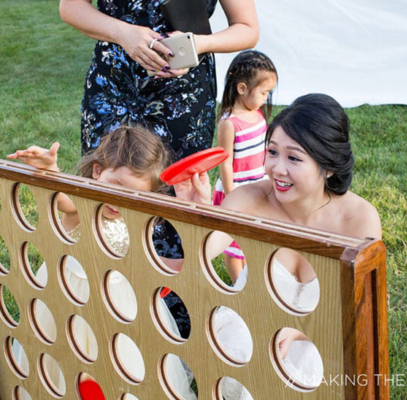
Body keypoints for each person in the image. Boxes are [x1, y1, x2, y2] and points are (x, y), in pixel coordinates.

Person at [7, 126, 209, 399]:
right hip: (68, 299)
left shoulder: (138, 221)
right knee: (62, 365)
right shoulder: (83, 204)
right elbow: (61, 199)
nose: (120, 201)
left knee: (125, 369)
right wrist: (49, 171)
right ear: (97, 171)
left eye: (134, 195)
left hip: (120, 306)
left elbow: (149, 262)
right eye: (116, 187)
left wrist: (197, 209)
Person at [206, 93, 382, 396]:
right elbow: (202, 250)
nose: (277, 169)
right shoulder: (250, 199)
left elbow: (362, 309)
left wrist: (300, 331)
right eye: (272, 152)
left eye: (294, 158)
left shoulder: (359, 220)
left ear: (328, 167)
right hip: (249, 330)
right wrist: (192, 213)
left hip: (324, 337)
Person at [59, 0, 260, 161]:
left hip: (184, 96)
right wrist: (123, 33)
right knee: (105, 186)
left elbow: (247, 28)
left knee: (178, 195)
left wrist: (198, 44)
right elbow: (70, 7)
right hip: (114, 87)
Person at [212, 50, 277, 285]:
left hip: (256, 187)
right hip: (237, 191)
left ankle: (249, 279)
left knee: (251, 239)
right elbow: (225, 162)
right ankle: (238, 282)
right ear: (242, 89)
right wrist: (233, 196)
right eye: (263, 92)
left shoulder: (256, 114)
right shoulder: (230, 123)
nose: (265, 98)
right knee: (233, 244)